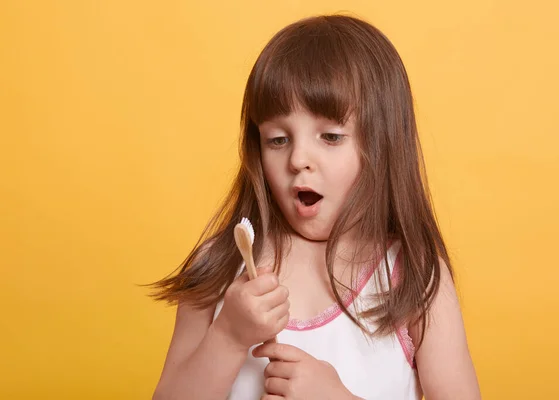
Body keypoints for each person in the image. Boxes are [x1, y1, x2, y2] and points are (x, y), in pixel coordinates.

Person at [150, 14, 481, 400]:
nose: (298, 159)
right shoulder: (222, 266)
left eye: (330, 136)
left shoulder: (413, 275)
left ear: (382, 146)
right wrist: (227, 337)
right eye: (277, 140)